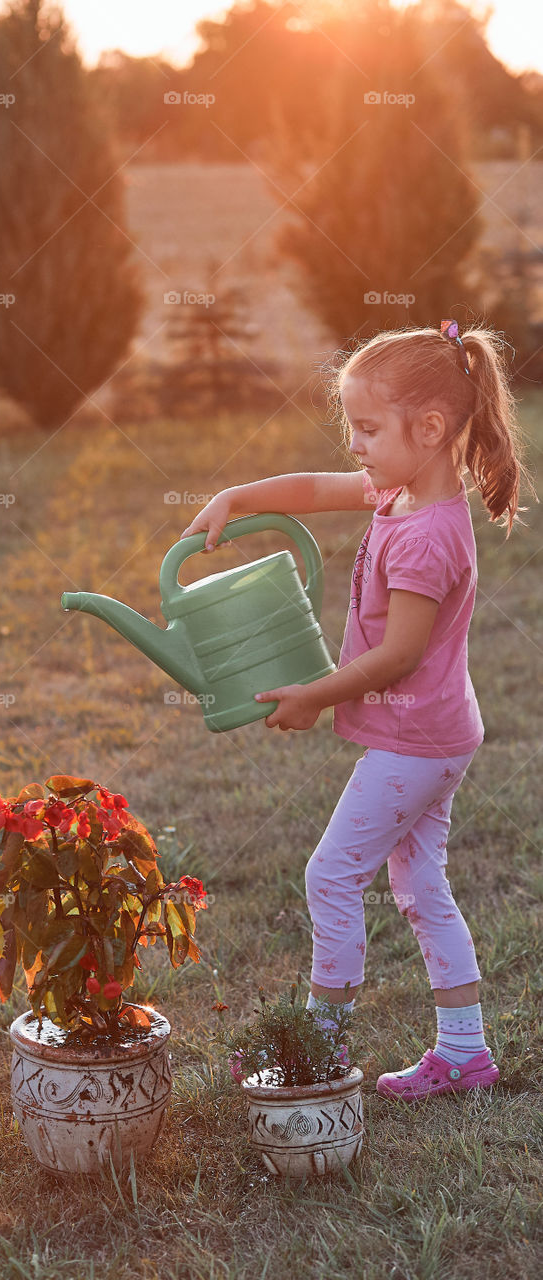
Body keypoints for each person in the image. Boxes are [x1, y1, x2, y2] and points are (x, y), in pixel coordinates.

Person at [179, 321, 535, 1101]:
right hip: (438, 733)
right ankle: (464, 1053)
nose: (353, 444)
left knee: (331, 877)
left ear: (430, 428)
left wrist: (314, 694)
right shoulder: (402, 490)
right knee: (420, 887)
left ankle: (319, 1049)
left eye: (367, 428)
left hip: (416, 742)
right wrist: (236, 496)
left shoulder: (425, 540)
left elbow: (397, 656)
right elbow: (314, 489)